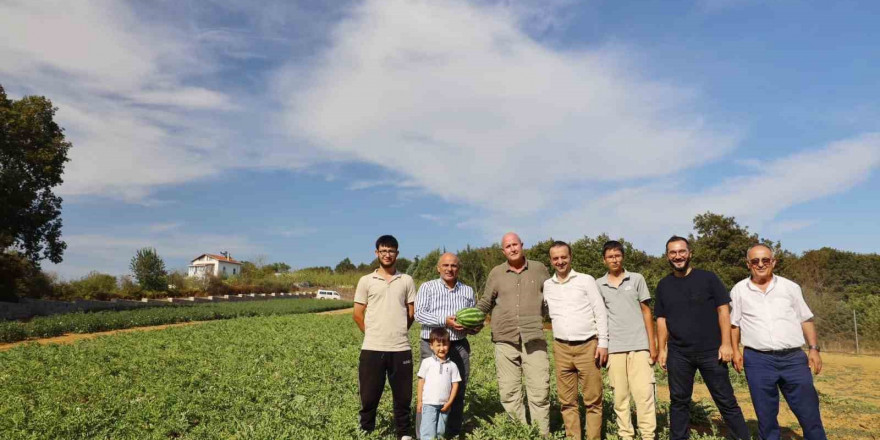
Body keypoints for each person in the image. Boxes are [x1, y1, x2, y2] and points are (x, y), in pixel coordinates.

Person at [655, 236, 750, 440]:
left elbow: (723, 311)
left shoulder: (708, 278)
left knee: (725, 400)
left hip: (711, 351)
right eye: (673, 252)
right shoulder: (664, 285)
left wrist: (726, 344)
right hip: (679, 353)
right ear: (667, 256)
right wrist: (662, 348)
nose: (678, 256)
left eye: (682, 251)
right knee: (679, 401)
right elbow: (661, 319)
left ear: (690, 253)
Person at [731, 244, 827, 440]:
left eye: (765, 260)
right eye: (755, 261)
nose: (760, 264)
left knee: (809, 413)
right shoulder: (739, 290)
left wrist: (814, 349)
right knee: (766, 418)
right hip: (758, 361)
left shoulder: (790, 287)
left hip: (793, 359)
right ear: (748, 264)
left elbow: (805, 319)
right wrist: (735, 351)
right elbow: (735, 325)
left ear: (773, 262)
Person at [476, 232, 552, 436]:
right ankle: (521, 433)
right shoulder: (496, 273)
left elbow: (552, 297)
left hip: (533, 337)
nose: (512, 249)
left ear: (522, 245)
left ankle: (541, 434)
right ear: (503, 250)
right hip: (505, 338)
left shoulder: (539, 269)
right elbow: (486, 301)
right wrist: (470, 319)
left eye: (515, 244)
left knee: (539, 391)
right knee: (509, 392)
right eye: (508, 246)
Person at [542, 241, 608, 440]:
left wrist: (603, 342)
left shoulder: (586, 280)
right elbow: (545, 312)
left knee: (593, 400)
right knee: (567, 401)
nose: (560, 261)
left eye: (564, 257)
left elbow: (600, 311)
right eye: (556, 258)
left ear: (570, 257)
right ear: (551, 260)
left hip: (588, 345)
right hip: (561, 347)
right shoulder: (547, 285)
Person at [353, 235, 417, 440]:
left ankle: (403, 433)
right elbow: (357, 314)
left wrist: (397, 331)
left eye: (391, 251)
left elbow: (411, 313)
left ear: (397, 253)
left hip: (400, 348)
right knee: (369, 395)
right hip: (372, 348)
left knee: (403, 396)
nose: (387, 254)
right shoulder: (366, 281)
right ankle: (366, 430)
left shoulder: (406, 280)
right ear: (376, 253)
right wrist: (372, 333)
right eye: (383, 251)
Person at [596, 240, 657, 440]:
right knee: (620, 397)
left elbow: (647, 312)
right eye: (610, 256)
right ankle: (626, 435)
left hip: (640, 346)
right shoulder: (599, 284)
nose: (614, 260)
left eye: (618, 255)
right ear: (604, 260)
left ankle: (648, 435)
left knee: (644, 395)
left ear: (623, 257)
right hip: (614, 348)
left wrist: (652, 344)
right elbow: (598, 316)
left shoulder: (636, 279)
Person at [414, 252, 476, 438]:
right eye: (446, 265)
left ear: (459, 268)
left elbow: (472, 317)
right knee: (429, 389)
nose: (450, 269)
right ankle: (424, 434)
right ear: (438, 268)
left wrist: (474, 327)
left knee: (458, 387)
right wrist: (445, 321)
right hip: (432, 345)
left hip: (458, 345)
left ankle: (451, 432)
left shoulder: (468, 291)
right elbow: (419, 314)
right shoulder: (427, 287)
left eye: (454, 266)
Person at [417, 327, 463, 440]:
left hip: (445, 405)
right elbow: (421, 382)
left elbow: (455, 385)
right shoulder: (427, 363)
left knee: (440, 432)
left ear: (449, 345)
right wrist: (419, 401)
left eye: (445, 345)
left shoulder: (452, 365)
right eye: (438, 345)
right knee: (428, 432)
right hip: (429, 403)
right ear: (431, 346)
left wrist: (449, 402)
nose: (442, 348)